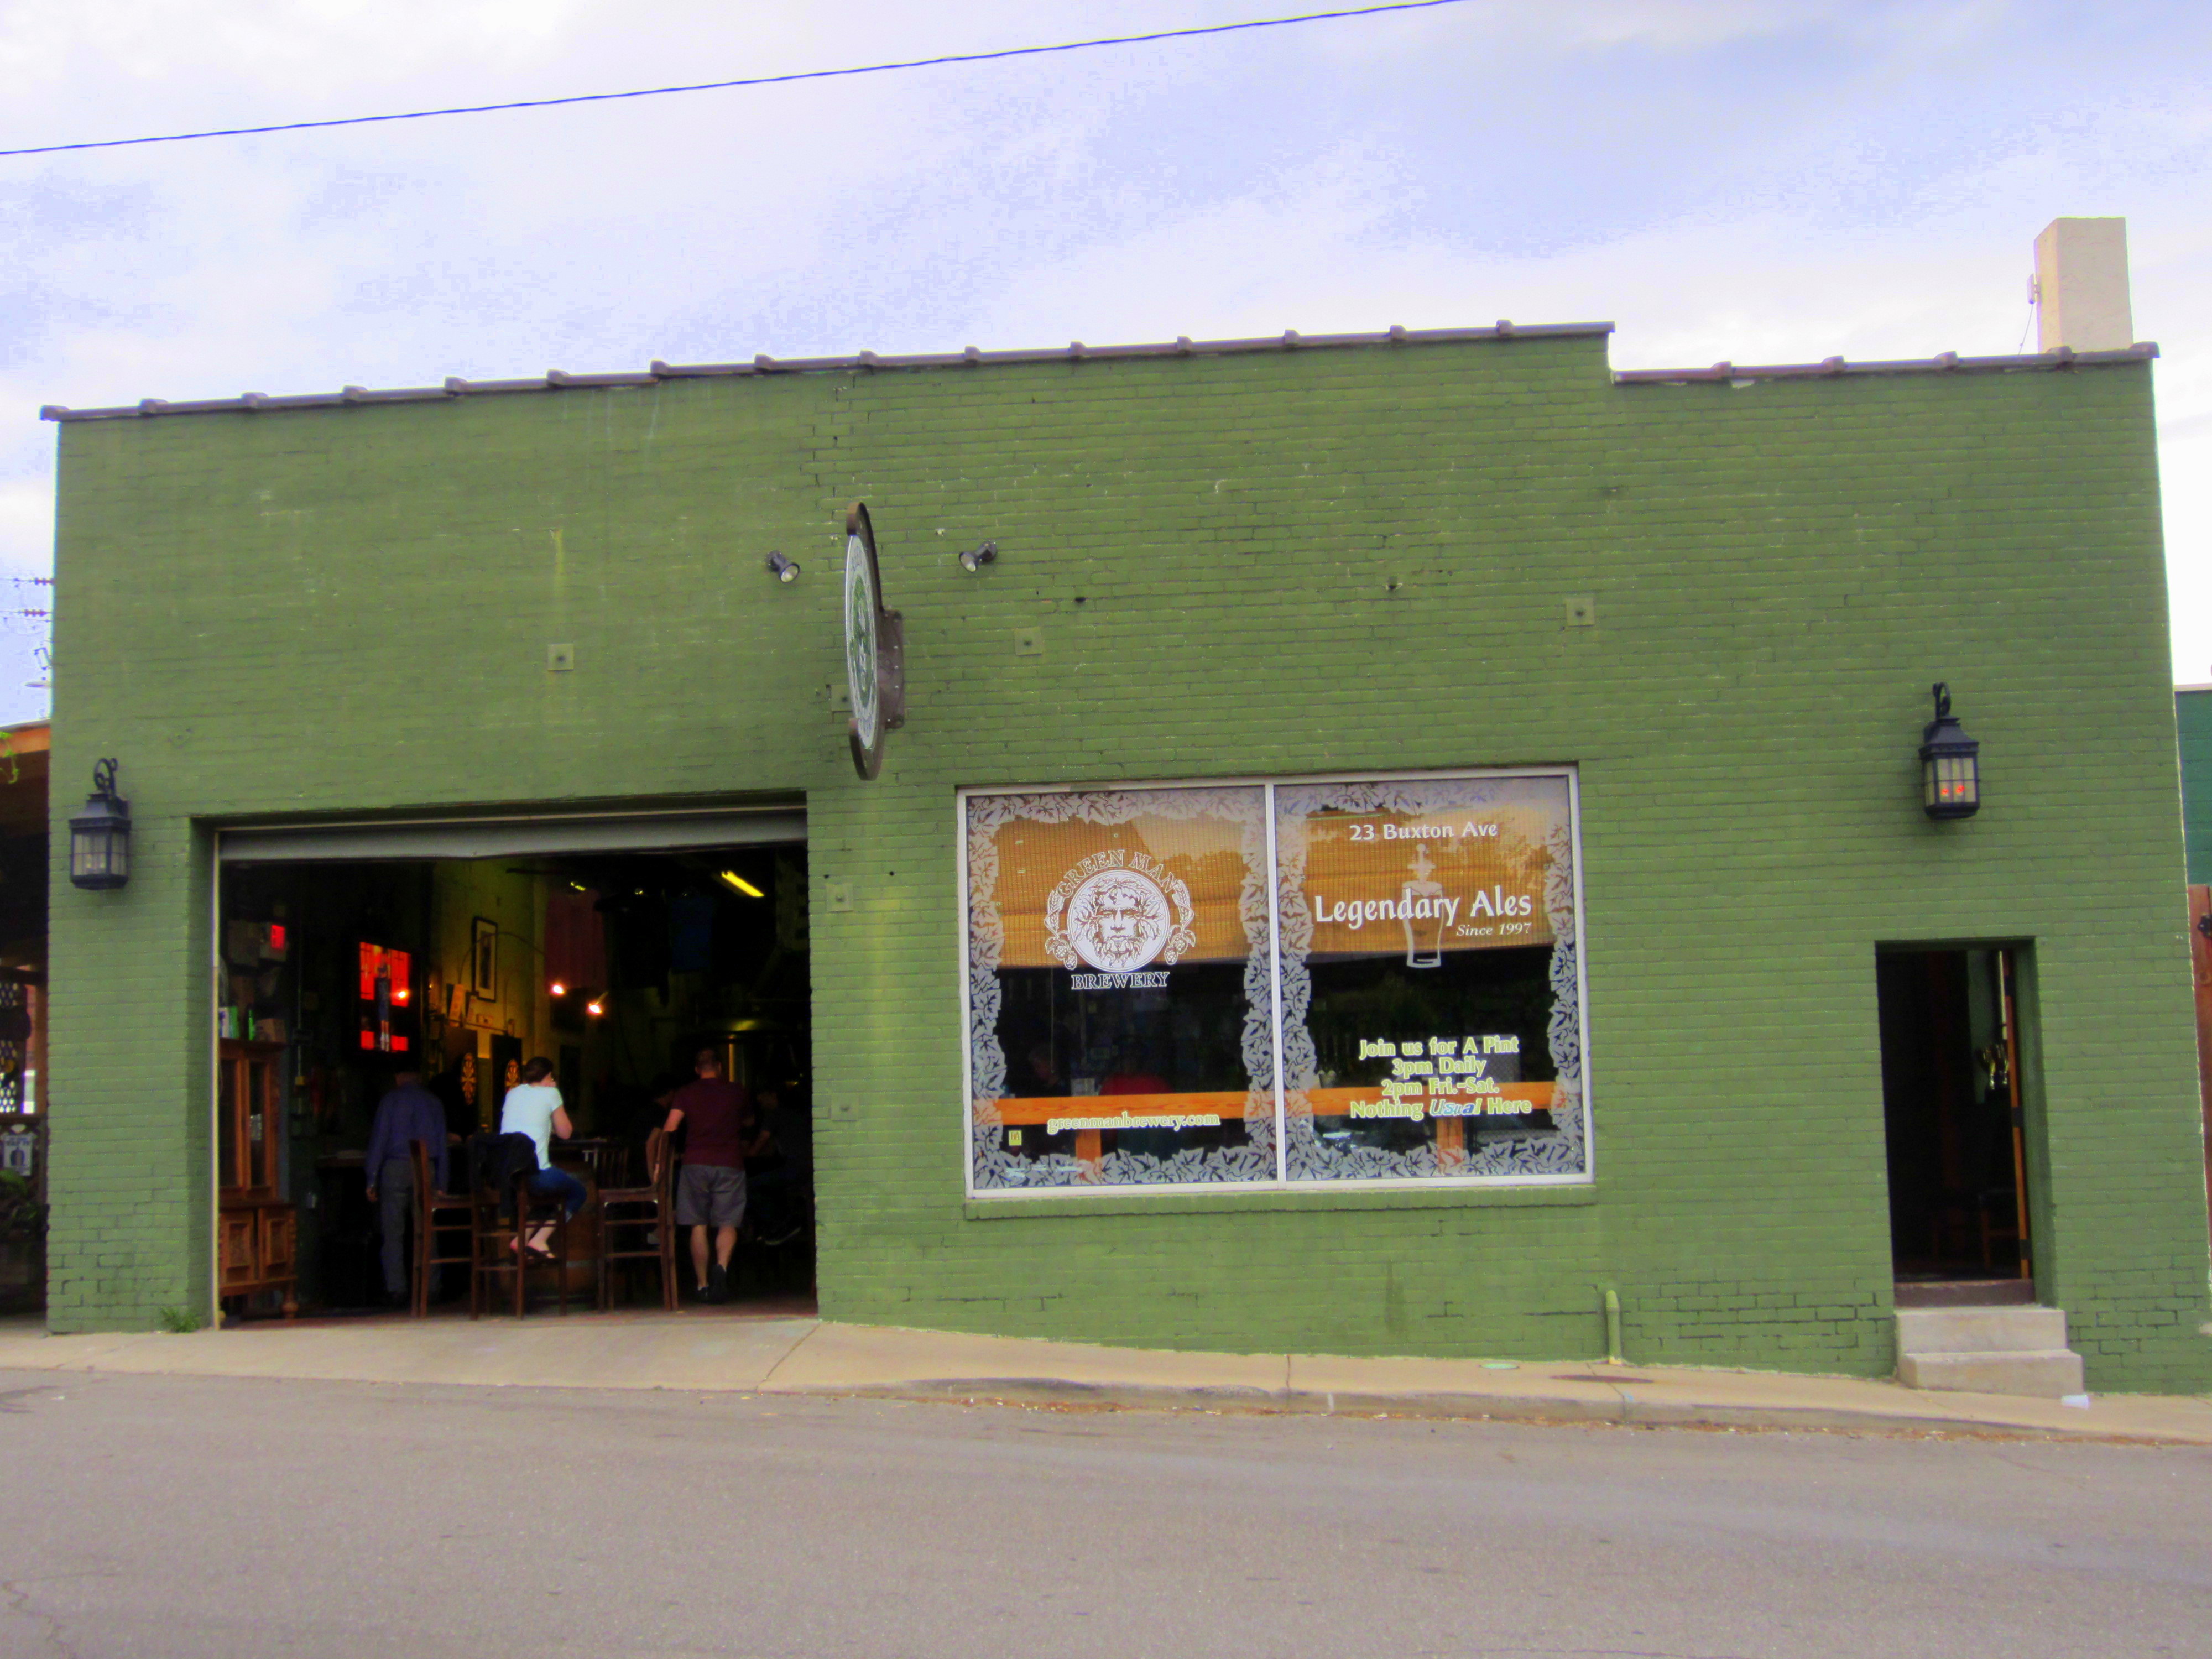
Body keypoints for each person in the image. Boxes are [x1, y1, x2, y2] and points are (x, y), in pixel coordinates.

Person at [661, 1047, 764, 1303]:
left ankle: (703, 1285)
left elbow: (671, 1126)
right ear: (720, 1067)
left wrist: (662, 1161)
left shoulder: (686, 1093)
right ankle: (722, 1267)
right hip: (730, 1163)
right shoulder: (737, 1091)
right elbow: (750, 1121)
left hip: (695, 1163)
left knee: (698, 1225)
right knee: (728, 1223)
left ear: (697, 1070)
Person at [363, 1067, 451, 1306]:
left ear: (398, 1077)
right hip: (426, 1168)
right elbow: (443, 1144)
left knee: (393, 1231)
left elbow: (380, 1139)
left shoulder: (390, 1101)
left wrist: (372, 1177)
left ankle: (397, 1289)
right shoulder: (434, 1102)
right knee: (427, 1229)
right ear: (420, 1078)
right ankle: (432, 1287)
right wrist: (442, 1182)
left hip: (395, 1167)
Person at [499, 1057, 586, 1257]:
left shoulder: (512, 1093)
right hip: (536, 1173)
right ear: (548, 1076)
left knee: (547, 1197)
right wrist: (553, 1092)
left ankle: (521, 1240)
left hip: (510, 1176)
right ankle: (540, 1240)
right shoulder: (551, 1093)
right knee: (578, 1193)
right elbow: (566, 1132)